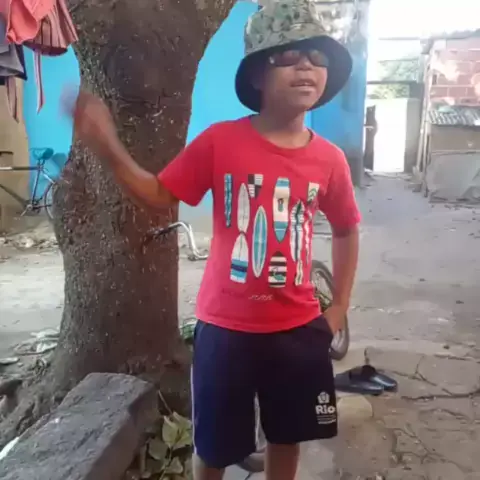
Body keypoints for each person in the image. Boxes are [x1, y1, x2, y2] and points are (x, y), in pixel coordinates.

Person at [67, 1, 360, 479]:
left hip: (298, 329)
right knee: (214, 446)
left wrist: (339, 306)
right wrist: (109, 148)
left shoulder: (330, 160)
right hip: (226, 330)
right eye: (288, 55)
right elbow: (159, 194)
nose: (306, 65)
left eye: (317, 55)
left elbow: (347, 228)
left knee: (287, 438)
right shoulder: (221, 142)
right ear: (258, 75)